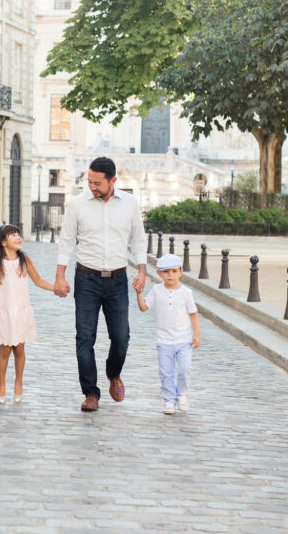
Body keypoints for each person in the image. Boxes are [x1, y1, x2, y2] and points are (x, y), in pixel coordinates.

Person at [54, 157, 146, 412]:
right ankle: (91, 392)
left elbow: (138, 240)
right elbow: (66, 240)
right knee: (85, 337)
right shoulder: (79, 203)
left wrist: (141, 269)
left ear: (112, 181)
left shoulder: (129, 203)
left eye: (97, 183)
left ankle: (113, 374)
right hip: (86, 278)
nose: (92, 187)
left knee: (122, 337)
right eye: (89, 181)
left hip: (117, 279)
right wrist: (60, 275)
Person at [0, 224, 54, 404]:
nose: (17, 237)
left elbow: (37, 280)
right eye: (13, 235)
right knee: (5, 349)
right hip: (4, 311)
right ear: (3, 242)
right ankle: (1, 384)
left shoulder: (24, 259)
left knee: (20, 348)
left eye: (18, 234)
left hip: (21, 311)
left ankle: (18, 383)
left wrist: (56, 288)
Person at [136, 254, 201, 415]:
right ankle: (169, 400)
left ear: (180, 272)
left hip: (184, 340)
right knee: (166, 373)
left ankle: (183, 395)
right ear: (159, 274)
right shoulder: (156, 290)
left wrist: (197, 334)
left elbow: (193, 313)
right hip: (164, 341)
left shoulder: (186, 292)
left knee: (185, 369)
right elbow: (144, 307)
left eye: (173, 271)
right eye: (166, 272)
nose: (170, 275)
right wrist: (138, 293)